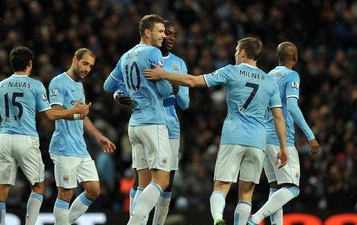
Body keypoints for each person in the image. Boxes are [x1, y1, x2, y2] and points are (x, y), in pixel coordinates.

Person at [144, 37, 289, 225]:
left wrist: (163, 74)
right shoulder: (269, 81)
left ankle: (218, 218)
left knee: (221, 187)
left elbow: (193, 81)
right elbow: (278, 117)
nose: (235, 53)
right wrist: (283, 147)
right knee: (246, 193)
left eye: (237, 50)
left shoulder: (230, 71)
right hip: (258, 141)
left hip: (233, 136)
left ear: (243, 52)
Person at [0, 46, 90, 225]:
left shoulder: (1, 85)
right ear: (30, 63)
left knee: (1, 189)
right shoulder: (35, 85)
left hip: (4, 138)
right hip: (26, 139)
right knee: (38, 186)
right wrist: (72, 111)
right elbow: (50, 115)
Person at [109, 20, 189, 225]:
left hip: (144, 123)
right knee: (159, 180)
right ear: (148, 32)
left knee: (152, 182)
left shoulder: (176, 62)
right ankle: (135, 222)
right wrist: (169, 84)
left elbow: (185, 102)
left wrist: (120, 93)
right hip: (154, 123)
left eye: (171, 34)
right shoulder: (152, 53)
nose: (167, 36)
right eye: (163, 32)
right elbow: (162, 90)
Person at [247, 42, 320, 225]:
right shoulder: (292, 75)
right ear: (295, 57)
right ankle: (256, 218)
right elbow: (293, 108)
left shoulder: (267, 76)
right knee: (293, 188)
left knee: (275, 187)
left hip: (263, 137)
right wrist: (310, 136)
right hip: (281, 139)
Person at [48, 48, 116, 225]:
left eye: (91, 66)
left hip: (80, 147)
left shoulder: (79, 86)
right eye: (85, 63)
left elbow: (81, 117)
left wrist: (98, 137)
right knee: (66, 193)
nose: (87, 69)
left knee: (93, 190)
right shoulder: (58, 82)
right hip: (63, 147)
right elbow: (54, 113)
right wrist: (74, 111)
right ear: (74, 60)